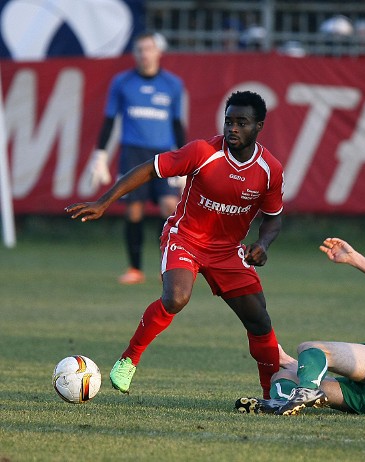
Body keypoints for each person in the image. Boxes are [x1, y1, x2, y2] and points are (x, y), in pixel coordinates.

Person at [67, 91, 284, 399]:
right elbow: (148, 169)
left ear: (258, 126)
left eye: (241, 122)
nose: (232, 128)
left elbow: (274, 219)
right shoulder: (202, 151)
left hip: (227, 251)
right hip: (185, 238)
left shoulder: (269, 170)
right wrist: (104, 203)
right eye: (229, 121)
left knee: (260, 320)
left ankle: (271, 396)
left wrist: (263, 243)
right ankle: (129, 359)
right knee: (176, 297)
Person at [235, 237, 365, 416]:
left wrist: (353, 258)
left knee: (312, 348)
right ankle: (282, 403)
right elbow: (316, 372)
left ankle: (304, 391)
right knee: (283, 376)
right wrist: (287, 361)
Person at [88, 31, 186, 285]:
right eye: (140, 49)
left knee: (169, 208)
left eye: (149, 49)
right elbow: (110, 120)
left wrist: (186, 162)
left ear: (158, 52)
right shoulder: (122, 83)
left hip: (164, 155)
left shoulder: (172, 84)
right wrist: (100, 155)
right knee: (133, 210)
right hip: (133, 153)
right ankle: (134, 268)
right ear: (135, 54)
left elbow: (177, 124)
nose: (145, 54)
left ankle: (167, 266)